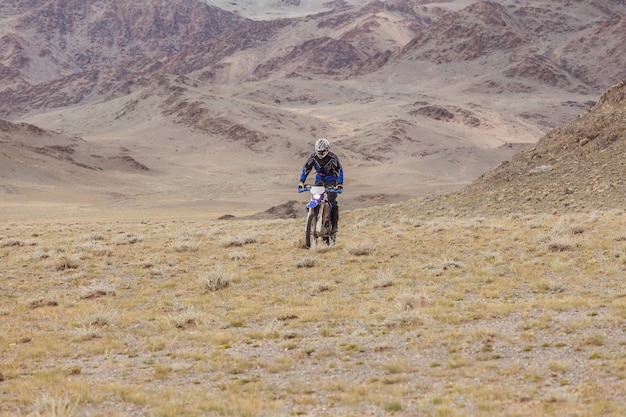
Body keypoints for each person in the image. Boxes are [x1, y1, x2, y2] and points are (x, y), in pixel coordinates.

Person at [298, 138, 344, 233]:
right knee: (315, 199)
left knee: (332, 201)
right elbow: (306, 169)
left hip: (331, 180)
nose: (320, 154)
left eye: (322, 152)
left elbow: (339, 171)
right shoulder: (313, 158)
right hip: (319, 180)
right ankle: (313, 218)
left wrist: (339, 184)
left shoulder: (333, 158)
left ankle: (334, 224)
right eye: (318, 151)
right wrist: (301, 182)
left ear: (327, 150)